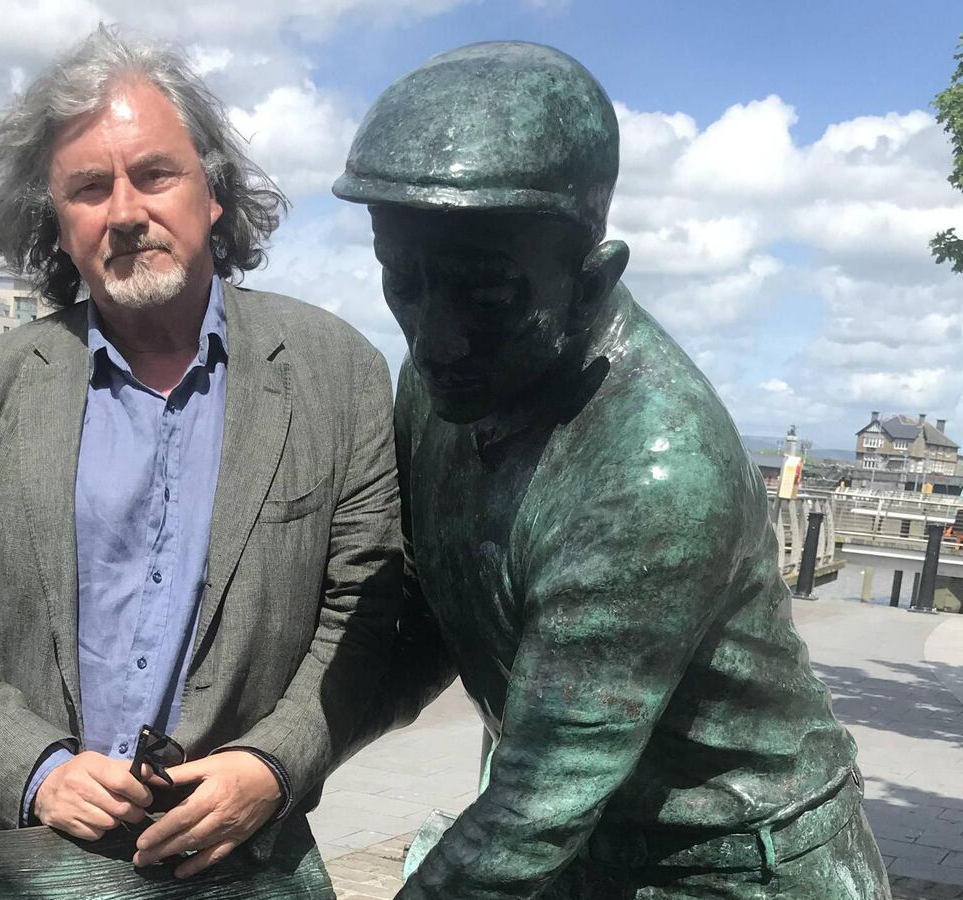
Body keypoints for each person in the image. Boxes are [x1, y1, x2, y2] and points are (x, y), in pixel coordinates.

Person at [333, 42, 891, 899]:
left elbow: (532, 811)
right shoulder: (447, 383)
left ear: (593, 282)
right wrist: (273, 761)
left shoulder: (653, 475)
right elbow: (423, 624)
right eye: (403, 280)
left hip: (732, 869)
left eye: (490, 298)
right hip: (584, 848)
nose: (435, 339)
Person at [0, 25, 400, 883]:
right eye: (88, 188)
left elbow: (366, 619)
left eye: (155, 174)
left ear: (213, 192)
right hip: (11, 860)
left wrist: (273, 764)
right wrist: (36, 771)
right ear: (58, 219)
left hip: (233, 861)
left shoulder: (338, 375)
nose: (124, 212)